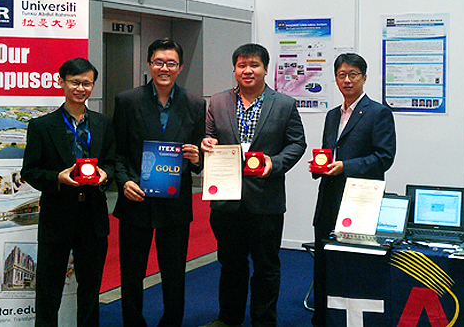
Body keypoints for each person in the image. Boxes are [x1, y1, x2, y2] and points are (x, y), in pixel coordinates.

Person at [200, 43, 306, 327]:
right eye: (241, 65)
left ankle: (264, 320)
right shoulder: (218, 101)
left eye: (254, 65)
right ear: (234, 69)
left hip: (266, 200)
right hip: (226, 200)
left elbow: (297, 143)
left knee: (266, 268)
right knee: (230, 265)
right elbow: (209, 136)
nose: (247, 71)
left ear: (265, 69)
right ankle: (229, 318)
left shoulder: (283, 104)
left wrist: (276, 163)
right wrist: (206, 142)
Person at [113, 38, 205, 327]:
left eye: (171, 63)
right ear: (149, 64)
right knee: (131, 272)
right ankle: (133, 322)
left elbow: (200, 155)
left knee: (174, 271)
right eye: (158, 62)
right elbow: (117, 152)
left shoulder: (194, 103)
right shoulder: (127, 100)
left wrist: (196, 157)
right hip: (136, 198)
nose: (164, 68)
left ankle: (171, 322)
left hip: (174, 202)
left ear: (180, 67)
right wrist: (125, 181)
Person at [21, 57, 115, 327]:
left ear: (93, 86)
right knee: (49, 290)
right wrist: (57, 178)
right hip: (57, 215)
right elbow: (30, 171)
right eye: (74, 82)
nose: (80, 88)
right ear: (60, 82)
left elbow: (110, 161)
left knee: (90, 288)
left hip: (93, 215)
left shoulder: (103, 123)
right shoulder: (41, 126)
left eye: (86, 83)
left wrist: (105, 175)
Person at [310, 52, 396, 326]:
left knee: (356, 262)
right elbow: (329, 152)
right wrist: (320, 167)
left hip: (360, 201)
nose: (347, 80)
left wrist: (345, 166)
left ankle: (356, 318)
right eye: (341, 75)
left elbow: (384, 157)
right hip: (329, 199)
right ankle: (323, 318)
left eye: (353, 75)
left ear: (364, 78)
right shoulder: (332, 115)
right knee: (324, 261)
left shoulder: (378, 112)